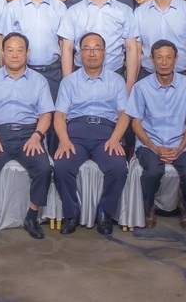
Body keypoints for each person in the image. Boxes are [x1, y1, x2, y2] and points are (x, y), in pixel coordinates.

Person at [0, 32, 54, 239]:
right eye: (10, 50)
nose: (15, 55)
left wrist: (37, 135)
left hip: (29, 135)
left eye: (20, 50)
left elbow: (46, 115)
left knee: (44, 169)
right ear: (2, 52)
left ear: (28, 53)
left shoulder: (39, 81)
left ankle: (32, 216)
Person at [52, 32, 129, 236]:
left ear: (104, 52)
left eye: (96, 49)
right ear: (79, 53)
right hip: (75, 133)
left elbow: (124, 114)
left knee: (118, 168)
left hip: (106, 134)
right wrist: (64, 140)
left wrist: (115, 138)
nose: (92, 53)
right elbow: (59, 115)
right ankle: (71, 214)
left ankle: (104, 212)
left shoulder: (117, 81)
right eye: (86, 49)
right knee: (61, 167)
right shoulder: (69, 82)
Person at [129, 40, 186, 230]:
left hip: (179, 143)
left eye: (168, 57)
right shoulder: (141, 87)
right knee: (153, 172)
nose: (164, 62)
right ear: (151, 59)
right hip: (149, 144)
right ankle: (148, 208)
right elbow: (136, 123)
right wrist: (155, 148)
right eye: (159, 58)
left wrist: (180, 148)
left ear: (176, 59)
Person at [59, 0, 139, 85]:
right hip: (81, 77)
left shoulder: (124, 11)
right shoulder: (73, 12)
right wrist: (68, 84)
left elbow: (131, 48)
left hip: (115, 76)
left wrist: (130, 85)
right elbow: (67, 49)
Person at [0, 0, 67, 95]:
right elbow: (4, 44)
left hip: (53, 73)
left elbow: (64, 45)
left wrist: (66, 80)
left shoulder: (60, 8)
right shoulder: (12, 8)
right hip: (22, 74)